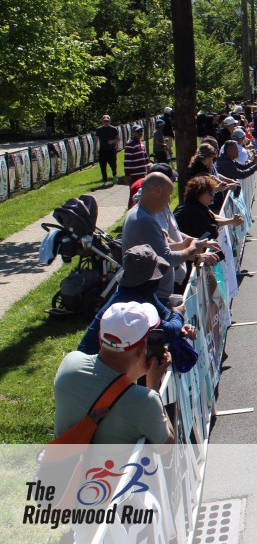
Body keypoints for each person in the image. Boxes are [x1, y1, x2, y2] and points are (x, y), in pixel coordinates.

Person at [54, 301, 175, 444]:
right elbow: (169, 446)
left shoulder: (70, 362)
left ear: (100, 339)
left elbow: (108, 384)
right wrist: (153, 385)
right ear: (142, 348)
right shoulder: (145, 402)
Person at [77, 245, 198, 359]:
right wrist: (178, 315)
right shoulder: (131, 303)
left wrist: (179, 325)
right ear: (149, 281)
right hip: (94, 362)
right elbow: (169, 332)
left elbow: (166, 314)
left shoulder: (141, 291)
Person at [122, 173, 212, 305]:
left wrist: (182, 245)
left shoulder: (141, 214)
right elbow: (166, 259)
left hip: (154, 294)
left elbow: (156, 249)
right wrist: (192, 250)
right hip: (153, 297)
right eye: (169, 194)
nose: (169, 200)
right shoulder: (144, 220)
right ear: (158, 191)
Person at [95, 114, 119, 186]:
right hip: (102, 151)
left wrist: (112, 141)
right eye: (104, 121)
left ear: (109, 121)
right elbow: (96, 140)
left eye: (107, 121)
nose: (106, 122)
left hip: (111, 150)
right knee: (103, 166)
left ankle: (114, 175)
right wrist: (95, 149)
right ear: (102, 121)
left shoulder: (113, 129)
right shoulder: (99, 130)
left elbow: (118, 139)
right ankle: (105, 180)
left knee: (113, 165)